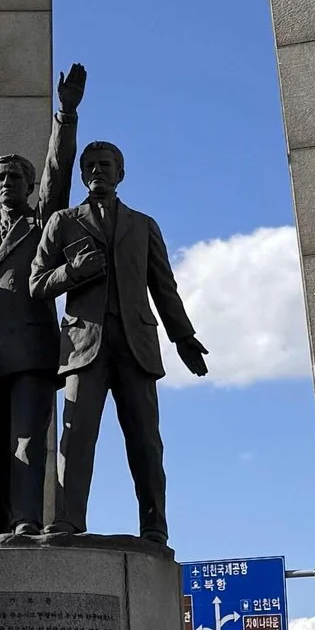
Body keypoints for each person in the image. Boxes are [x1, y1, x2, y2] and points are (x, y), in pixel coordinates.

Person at [36, 135, 207, 545]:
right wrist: (72, 273)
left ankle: (154, 525)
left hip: (136, 345)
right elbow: (37, 282)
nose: (97, 171)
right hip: (83, 347)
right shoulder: (62, 222)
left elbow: (164, 288)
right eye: (90, 165)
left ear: (121, 173)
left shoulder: (144, 225)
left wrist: (183, 336)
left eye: (105, 165)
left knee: (146, 442)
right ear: (80, 174)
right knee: (75, 438)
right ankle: (68, 520)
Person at [0, 62, 84, 532]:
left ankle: (27, 521)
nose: (8, 184)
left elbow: (58, 172)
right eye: (2, 178)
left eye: (16, 178)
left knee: (28, 442)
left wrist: (65, 116)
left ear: (29, 187)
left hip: (32, 353)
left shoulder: (42, 224)